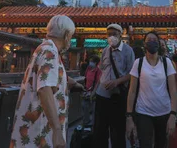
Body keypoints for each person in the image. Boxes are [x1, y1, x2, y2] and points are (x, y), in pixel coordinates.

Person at [10, 15, 81, 148]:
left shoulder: (45, 48)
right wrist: (57, 131)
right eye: (71, 35)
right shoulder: (50, 52)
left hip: (34, 127)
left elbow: (50, 76)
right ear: (66, 35)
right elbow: (44, 89)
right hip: (40, 129)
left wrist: (72, 83)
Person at [126, 31, 177, 148]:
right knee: (145, 144)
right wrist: (129, 116)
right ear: (144, 44)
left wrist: (173, 114)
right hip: (143, 112)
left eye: (154, 40)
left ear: (158, 44)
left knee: (161, 144)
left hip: (164, 111)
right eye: (149, 40)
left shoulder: (166, 63)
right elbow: (132, 91)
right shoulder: (138, 63)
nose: (152, 42)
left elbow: (173, 90)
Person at [94, 24, 136, 148]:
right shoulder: (106, 50)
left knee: (117, 131)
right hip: (102, 95)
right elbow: (102, 70)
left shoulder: (128, 51)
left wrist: (117, 82)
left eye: (114, 34)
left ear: (120, 34)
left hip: (118, 96)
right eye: (109, 34)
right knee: (100, 130)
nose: (111, 36)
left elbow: (132, 74)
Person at [82, 55, 101, 126]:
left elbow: (98, 83)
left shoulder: (98, 71)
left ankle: (94, 125)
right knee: (84, 106)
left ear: (96, 63)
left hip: (94, 92)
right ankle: (85, 122)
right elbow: (86, 78)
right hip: (86, 92)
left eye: (92, 61)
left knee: (94, 109)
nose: (90, 63)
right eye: (90, 61)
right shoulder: (88, 69)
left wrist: (93, 92)